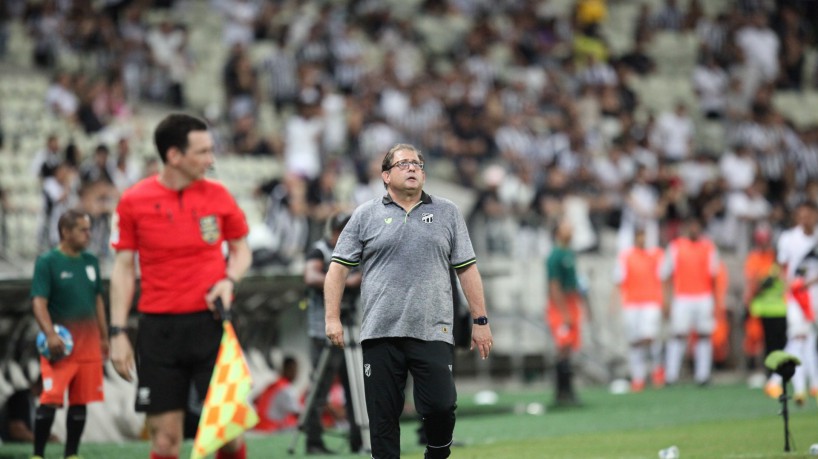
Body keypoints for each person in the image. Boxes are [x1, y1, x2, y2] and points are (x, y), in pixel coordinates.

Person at [324, 143, 493, 459]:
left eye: (417, 163)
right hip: (380, 333)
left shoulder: (447, 212)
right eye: (403, 164)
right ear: (386, 176)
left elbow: (467, 268)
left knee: (442, 405)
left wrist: (480, 320)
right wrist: (331, 318)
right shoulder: (365, 215)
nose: (412, 168)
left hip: (433, 330)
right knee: (383, 420)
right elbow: (337, 270)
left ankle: (438, 453)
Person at [109, 113, 252, 459]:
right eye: (202, 152)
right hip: (159, 332)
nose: (210, 159)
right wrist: (116, 332)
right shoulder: (133, 201)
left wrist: (228, 279)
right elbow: (123, 268)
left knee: (228, 435)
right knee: (165, 441)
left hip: (212, 324)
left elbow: (242, 248)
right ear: (174, 156)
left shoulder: (218, 195)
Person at [30, 209, 108, 459]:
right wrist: (51, 334)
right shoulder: (47, 262)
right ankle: (38, 454)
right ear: (65, 231)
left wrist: (105, 337)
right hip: (61, 346)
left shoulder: (91, 262)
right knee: (50, 398)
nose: (89, 234)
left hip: (89, 345)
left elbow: (97, 301)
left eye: (89, 229)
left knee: (80, 401)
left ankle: (71, 454)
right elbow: (39, 302)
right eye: (83, 229)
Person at [303, 212, 363, 454]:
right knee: (320, 387)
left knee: (357, 387)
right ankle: (314, 441)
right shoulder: (320, 250)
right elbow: (310, 275)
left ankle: (359, 439)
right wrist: (341, 281)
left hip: (352, 325)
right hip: (323, 331)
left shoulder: (358, 251)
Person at [661, 216, 720, 386]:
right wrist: (666, 300)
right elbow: (666, 275)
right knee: (678, 334)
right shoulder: (676, 247)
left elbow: (714, 276)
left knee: (704, 335)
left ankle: (703, 375)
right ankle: (671, 376)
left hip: (704, 296)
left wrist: (716, 301)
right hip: (682, 297)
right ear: (687, 227)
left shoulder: (709, 247)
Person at [775, 201, 818, 405]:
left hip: (815, 293)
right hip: (797, 295)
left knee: (809, 340)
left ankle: (812, 384)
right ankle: (800, 387)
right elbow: (783, 268)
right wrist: (787, 289)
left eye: (808, 215)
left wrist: (810, 281)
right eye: (801, 216)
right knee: (800, 337)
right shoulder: (789, 238)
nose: (804, 219)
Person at [614, 227, 665, 392]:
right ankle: (638, 377)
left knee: (649, 336)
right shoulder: (626, 256)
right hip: (631, 303)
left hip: (651, 301)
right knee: (635, 341)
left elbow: (665, 278)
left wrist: (666, 300)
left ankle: (657, 369)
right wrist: (614, 303)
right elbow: (619, 281)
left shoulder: (656, 254)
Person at [546, 219, 588, 405]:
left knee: (569, 347)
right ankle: (562, 392)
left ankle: (566, 392)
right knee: (562, 347)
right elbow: (554, 286)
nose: (571, 228)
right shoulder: (554, 256)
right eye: (566, 225)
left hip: (570, 303)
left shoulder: (569, 253)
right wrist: (564, 312)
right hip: (560, 306)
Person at [742, 225, 787, 395]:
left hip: (778, 308)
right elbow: (753, 283)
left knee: (779, 344)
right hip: (760, 308)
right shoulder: (754, 258)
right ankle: (764, 374)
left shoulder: (776, 259)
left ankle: (779, 374)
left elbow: (784, 281)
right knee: (759, 343)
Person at [253, 356, 301, 433]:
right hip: (270, 430)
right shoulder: (287, 389)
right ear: (286, 369)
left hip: (257, 427)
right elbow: (298, 414)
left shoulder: (273, 385)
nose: (296, 374)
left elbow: (255, 400)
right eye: (294, 370)